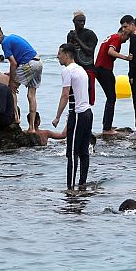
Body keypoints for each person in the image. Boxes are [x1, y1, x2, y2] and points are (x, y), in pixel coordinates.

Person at [52, 43, 93, 190]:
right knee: (83, 151)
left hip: (78, 115)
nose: (58, 57)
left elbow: (65, 95)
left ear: (67, 55)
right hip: (88, 113)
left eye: (59, 54)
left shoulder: (67, 71)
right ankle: (82, 184)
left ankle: (70, 187)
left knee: (72, 152)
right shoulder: (81, 69)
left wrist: (57, 117)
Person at [0, 25, 43, 132]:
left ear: (0, 34)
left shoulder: (5, 43)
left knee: (10, 90)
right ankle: (32, 128)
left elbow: (13, 63)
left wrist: (12, 81)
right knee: (31, 95)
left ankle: (16, 118)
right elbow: (19, 59)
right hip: (38, 63)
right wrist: (12, 73)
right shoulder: (11, 38)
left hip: (29, 65)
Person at [93, 27, 131, 134]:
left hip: (99, 69)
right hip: (104, 69)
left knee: (110, 97)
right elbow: (110, 51)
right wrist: (125, 57)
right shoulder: (116, 38)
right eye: (127, 38)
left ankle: (106, 124)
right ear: (123, 33)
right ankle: (107, 128)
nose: (126, 41)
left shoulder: (110, 36)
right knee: (111, 98)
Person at [66, 11, 98, 105]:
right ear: (74, 21)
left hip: (88, 69)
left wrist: (78, 40)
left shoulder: (90, 34)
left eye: (83, 21)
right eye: (79, 21)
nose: (82, 23)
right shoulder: (70, 35)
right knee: (73, 98)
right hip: (75, 70)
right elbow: (68, 53)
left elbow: (90, 51)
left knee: (87, 99)